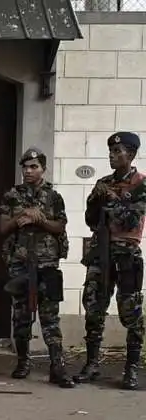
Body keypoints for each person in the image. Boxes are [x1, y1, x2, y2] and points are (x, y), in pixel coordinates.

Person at [75, 132, 146, 390]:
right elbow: (91, 221)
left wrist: (112, 200)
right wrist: (97, 198)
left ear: (132, 154)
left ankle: (131, 369)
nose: (112, 156)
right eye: (111, 152)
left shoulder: (141, 184)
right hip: (101, 252)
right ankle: (92, 364)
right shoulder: (103, 183)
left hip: (126, 254)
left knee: (131, 313)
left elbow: (130, 220)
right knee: (94, 308)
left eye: (118, 152)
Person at [0, 147, 74, 388]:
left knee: (50, 318)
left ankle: (57, 366)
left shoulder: (53, 197)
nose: (29, 171)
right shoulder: (12, 196)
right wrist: (21, 214)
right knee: (20, 317)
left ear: (43, 169)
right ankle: (23, 362)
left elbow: (59, 226)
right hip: (21, 263)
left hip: (48, 264)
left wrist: (39, 218)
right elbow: (4, 228)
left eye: (34, 167)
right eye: (25, 167)